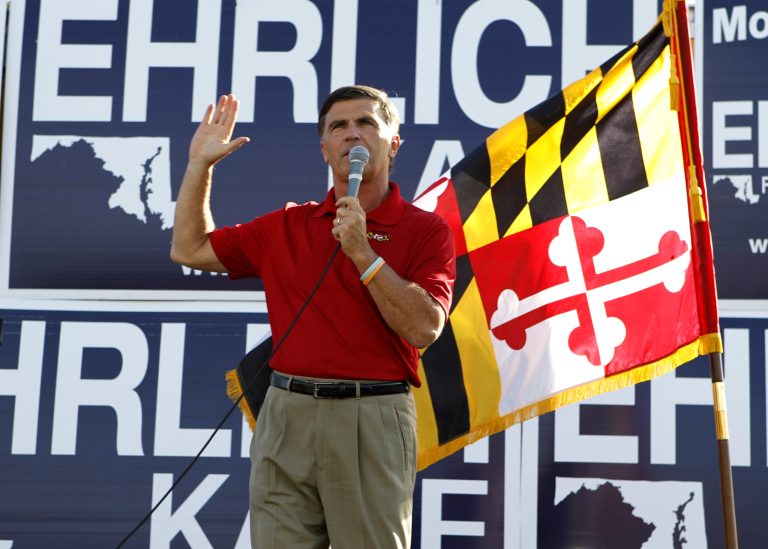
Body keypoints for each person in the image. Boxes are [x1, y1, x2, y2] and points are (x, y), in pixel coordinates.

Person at [171, 85, 456, 548]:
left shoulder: (426, 230)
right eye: (338, 127)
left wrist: (363, 253)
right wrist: (199, 167)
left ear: (394, 142)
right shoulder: (288, 225)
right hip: (287, 415)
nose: (352, 134)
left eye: (366, 123)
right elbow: (189, 248)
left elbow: (424, 327)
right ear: (324, 148)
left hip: (372, 415)